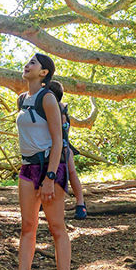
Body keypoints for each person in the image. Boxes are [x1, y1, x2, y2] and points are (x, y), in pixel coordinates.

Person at [0, 53, 73, 270]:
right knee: (27, 226)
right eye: (27, 62)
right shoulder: (22, 99)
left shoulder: (48, 98)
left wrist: (50, 177)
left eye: (33, 63)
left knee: (56, 228)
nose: (27, 65)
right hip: (27, 168)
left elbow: (57, 141)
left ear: (44, 73)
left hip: (49, 167)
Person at [46, 81, 87, 219]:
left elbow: (63, 129)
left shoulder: (59, 109)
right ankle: (44, 201)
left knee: (71, 172)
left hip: (63, 146)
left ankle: (81, 204)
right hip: (55, 146)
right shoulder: (53, 108)